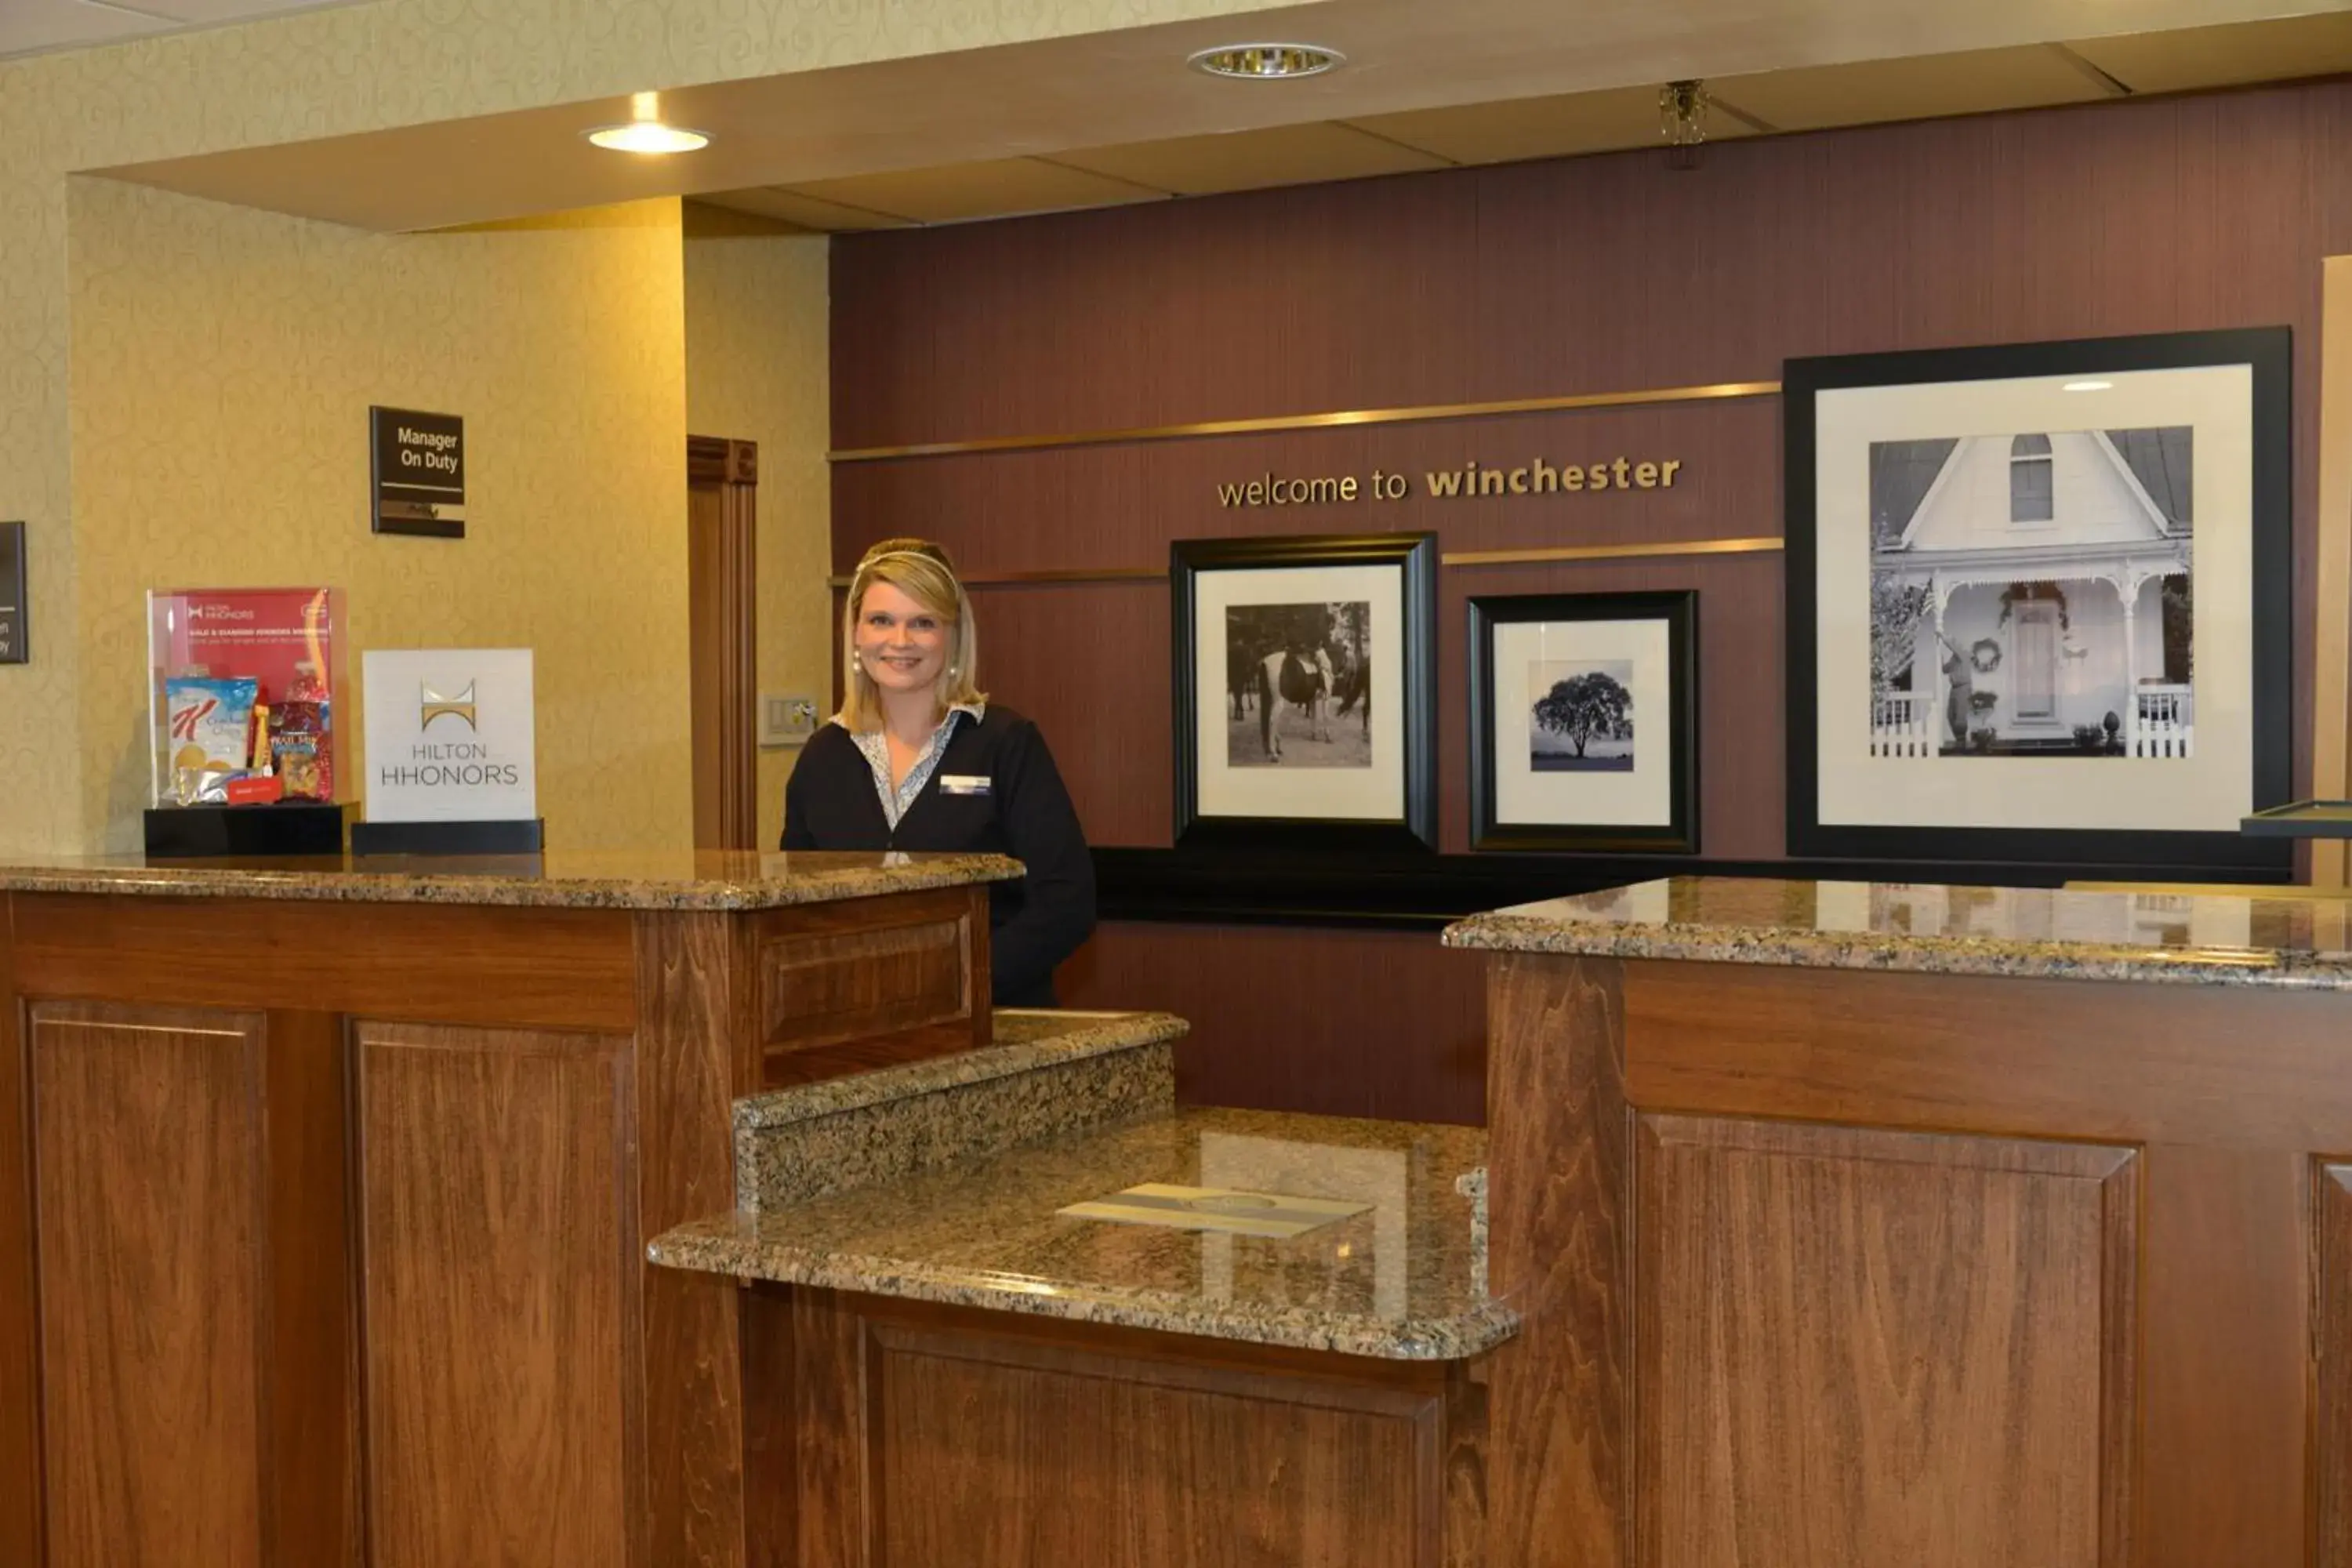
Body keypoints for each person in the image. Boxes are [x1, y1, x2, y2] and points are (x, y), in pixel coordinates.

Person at [783, 539, 1095, 1007]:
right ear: (855, 634)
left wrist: (957, 982)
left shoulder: (1005, 742)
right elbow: (792, 909)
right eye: (881, 621)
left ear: (952, 637)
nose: (900, 641)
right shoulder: (823, 756)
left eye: (923, 623)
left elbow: (1066, 902)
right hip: (854, 1024)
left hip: (993, 1024)